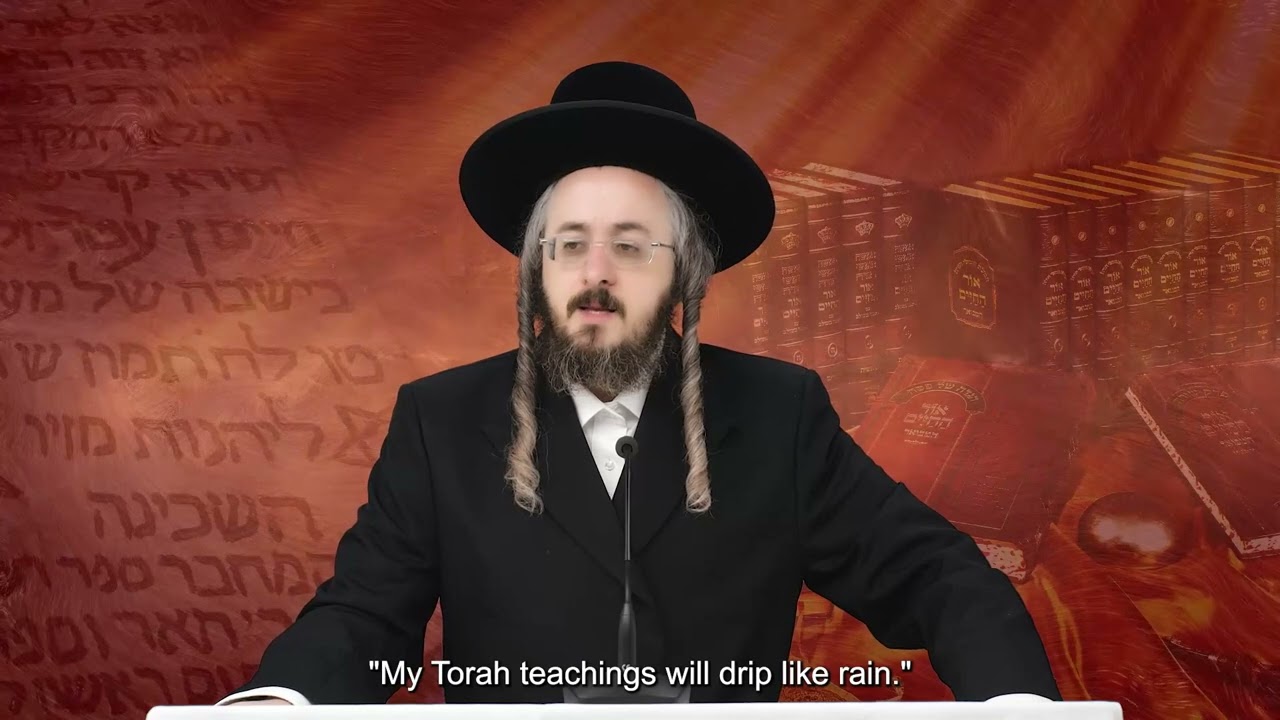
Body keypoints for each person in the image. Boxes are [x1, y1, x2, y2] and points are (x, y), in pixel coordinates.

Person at [217, 61, 1061, 706]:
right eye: (567, 244)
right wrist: (279, 702)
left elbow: (931, 573)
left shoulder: (780, 413)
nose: (595, 273)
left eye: (630, 245)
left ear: (685, 272)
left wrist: (1017, 704)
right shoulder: (440, 419)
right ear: (535, 269)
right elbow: (364, 616)